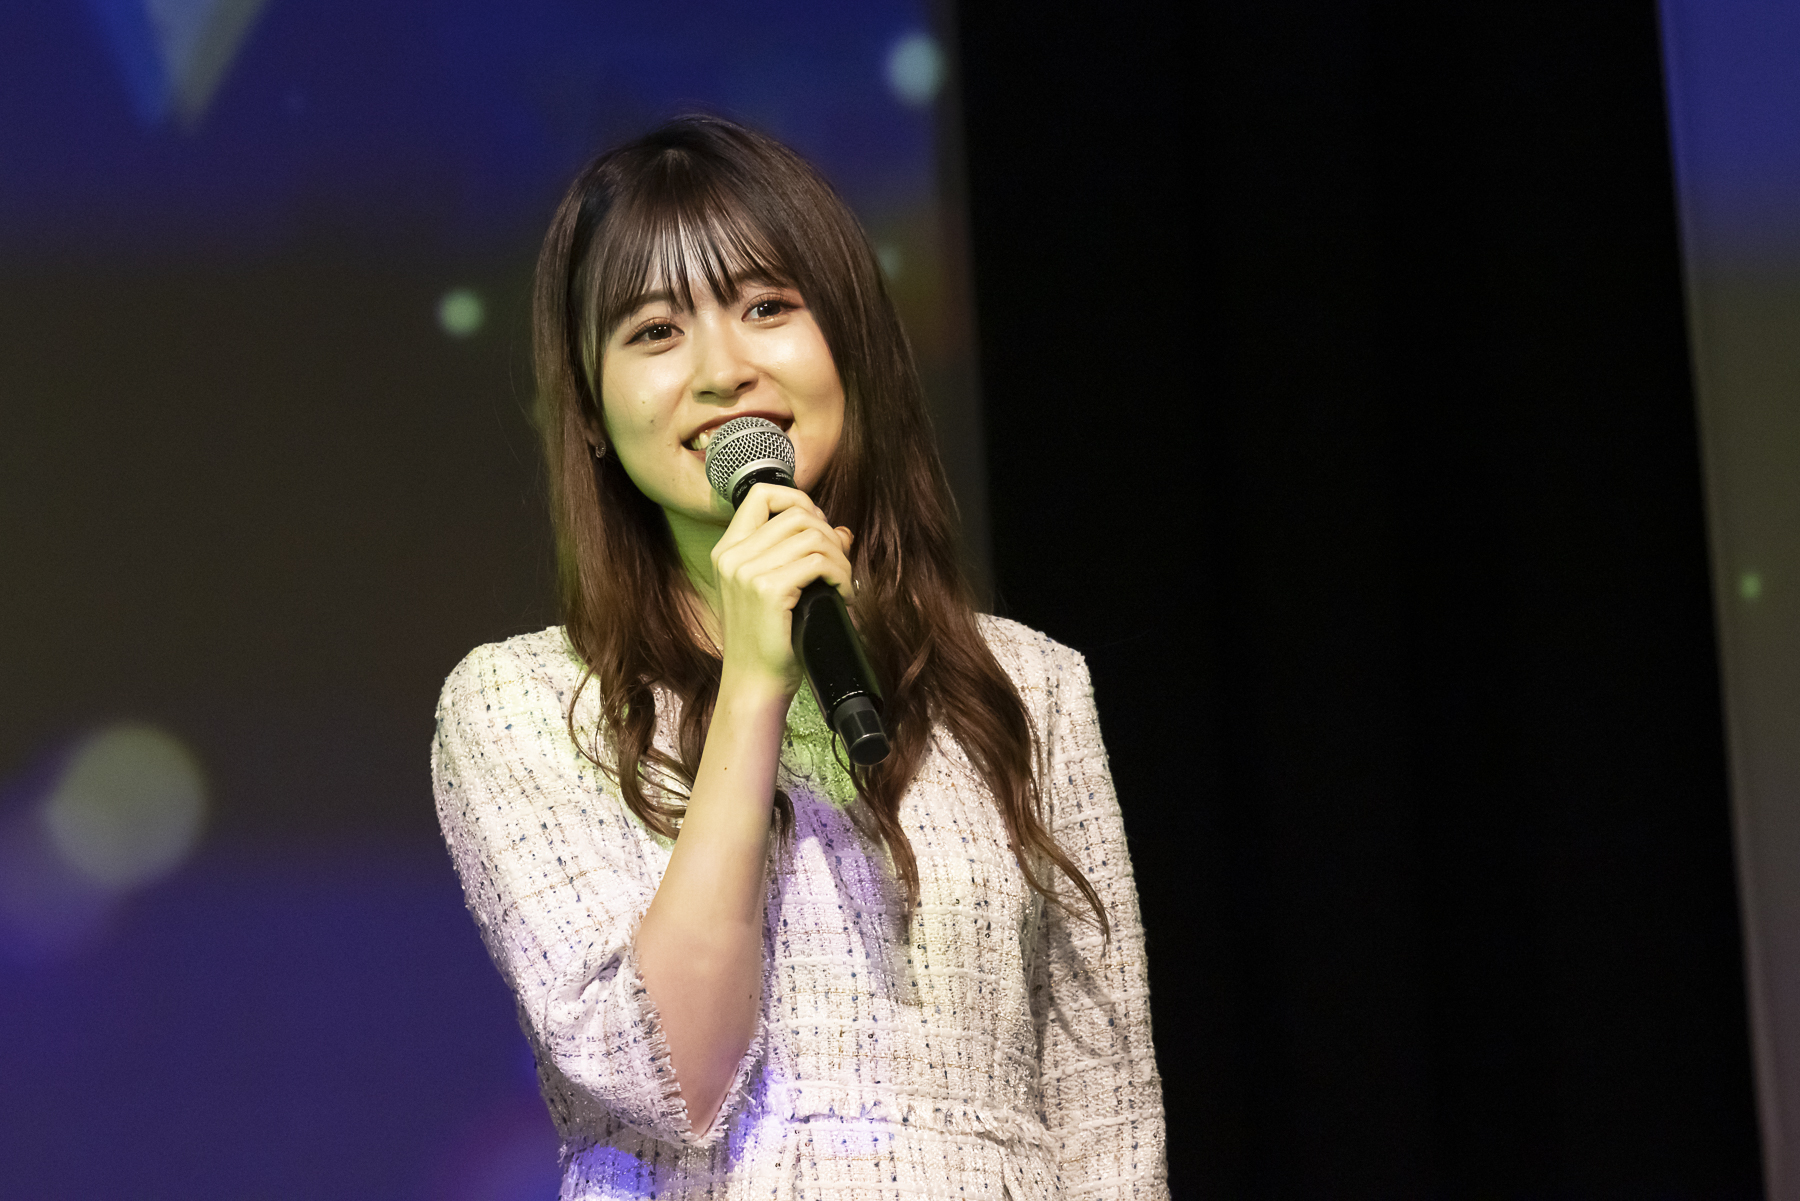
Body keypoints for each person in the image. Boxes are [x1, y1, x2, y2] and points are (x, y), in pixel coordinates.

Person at [430, 114, 1166, 1200]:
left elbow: (1111, 1123)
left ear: (847, 341)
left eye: (768, 307)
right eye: (655, 330)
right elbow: (664, 1078)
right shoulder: (526, 703)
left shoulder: (1029, 685)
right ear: (589, 409)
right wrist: (754, 683)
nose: (725, 370)